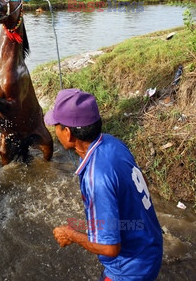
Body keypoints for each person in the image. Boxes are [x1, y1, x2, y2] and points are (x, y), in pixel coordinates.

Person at [45, 89, 163, 281]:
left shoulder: (96, 177)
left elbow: (110, 248)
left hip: (130, 271)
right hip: (151, 246)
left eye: (56, 126)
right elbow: (143, 183)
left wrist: (71, 235)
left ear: (68, 133)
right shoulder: (112, 143)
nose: (54, 130)